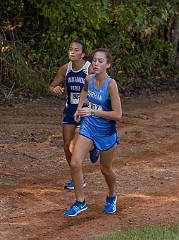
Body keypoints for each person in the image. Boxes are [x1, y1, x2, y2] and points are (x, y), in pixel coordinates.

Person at [64, 48, 122, 216]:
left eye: (100, 61)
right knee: (75, 162)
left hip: (106, 132)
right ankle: (80, 202)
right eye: (94, 61)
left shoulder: (111, 85)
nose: (96, 64)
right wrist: (79, 108)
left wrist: (93, 111)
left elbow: (118, 115)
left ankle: (111, 196)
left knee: (105, 169)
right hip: (88, 127)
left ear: (108, 64)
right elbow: (84, 91)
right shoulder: (89, 79)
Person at [49, 40, 99, 190]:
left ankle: (92, 147)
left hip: (85, 111)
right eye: (70, 49)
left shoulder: (89, 68)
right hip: (70, 111)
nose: (72, 52)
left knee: (73, 146)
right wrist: (54, 89)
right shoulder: (65, 69)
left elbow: (101, 87)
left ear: (83, 54)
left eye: (76, 50)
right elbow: (51, 86)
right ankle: (78, 178)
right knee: (66, 146)